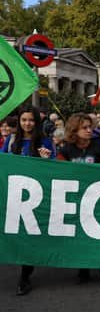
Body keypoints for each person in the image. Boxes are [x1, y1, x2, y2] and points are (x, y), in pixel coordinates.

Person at [1, 106, 56, 296]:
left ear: (37, 122)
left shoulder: (45, 141)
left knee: (31, 234)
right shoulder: (11, 140)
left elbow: (56, 171)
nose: (27, 124)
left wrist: (47, 159)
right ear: (19, 121)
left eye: (31, 120)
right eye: (24, 120)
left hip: (36, 197)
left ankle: (25, 275)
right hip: (15, 196)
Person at [57, 113, 100, 284]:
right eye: (84, 128)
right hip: (75, 198)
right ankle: (83, 269)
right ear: (74, 130)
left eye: (90, 127)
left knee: (99, 232)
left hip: (97, 196)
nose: (89, 130)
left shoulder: (99, 146)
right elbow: (58, 171)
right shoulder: (66, 149)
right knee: (80, 235)